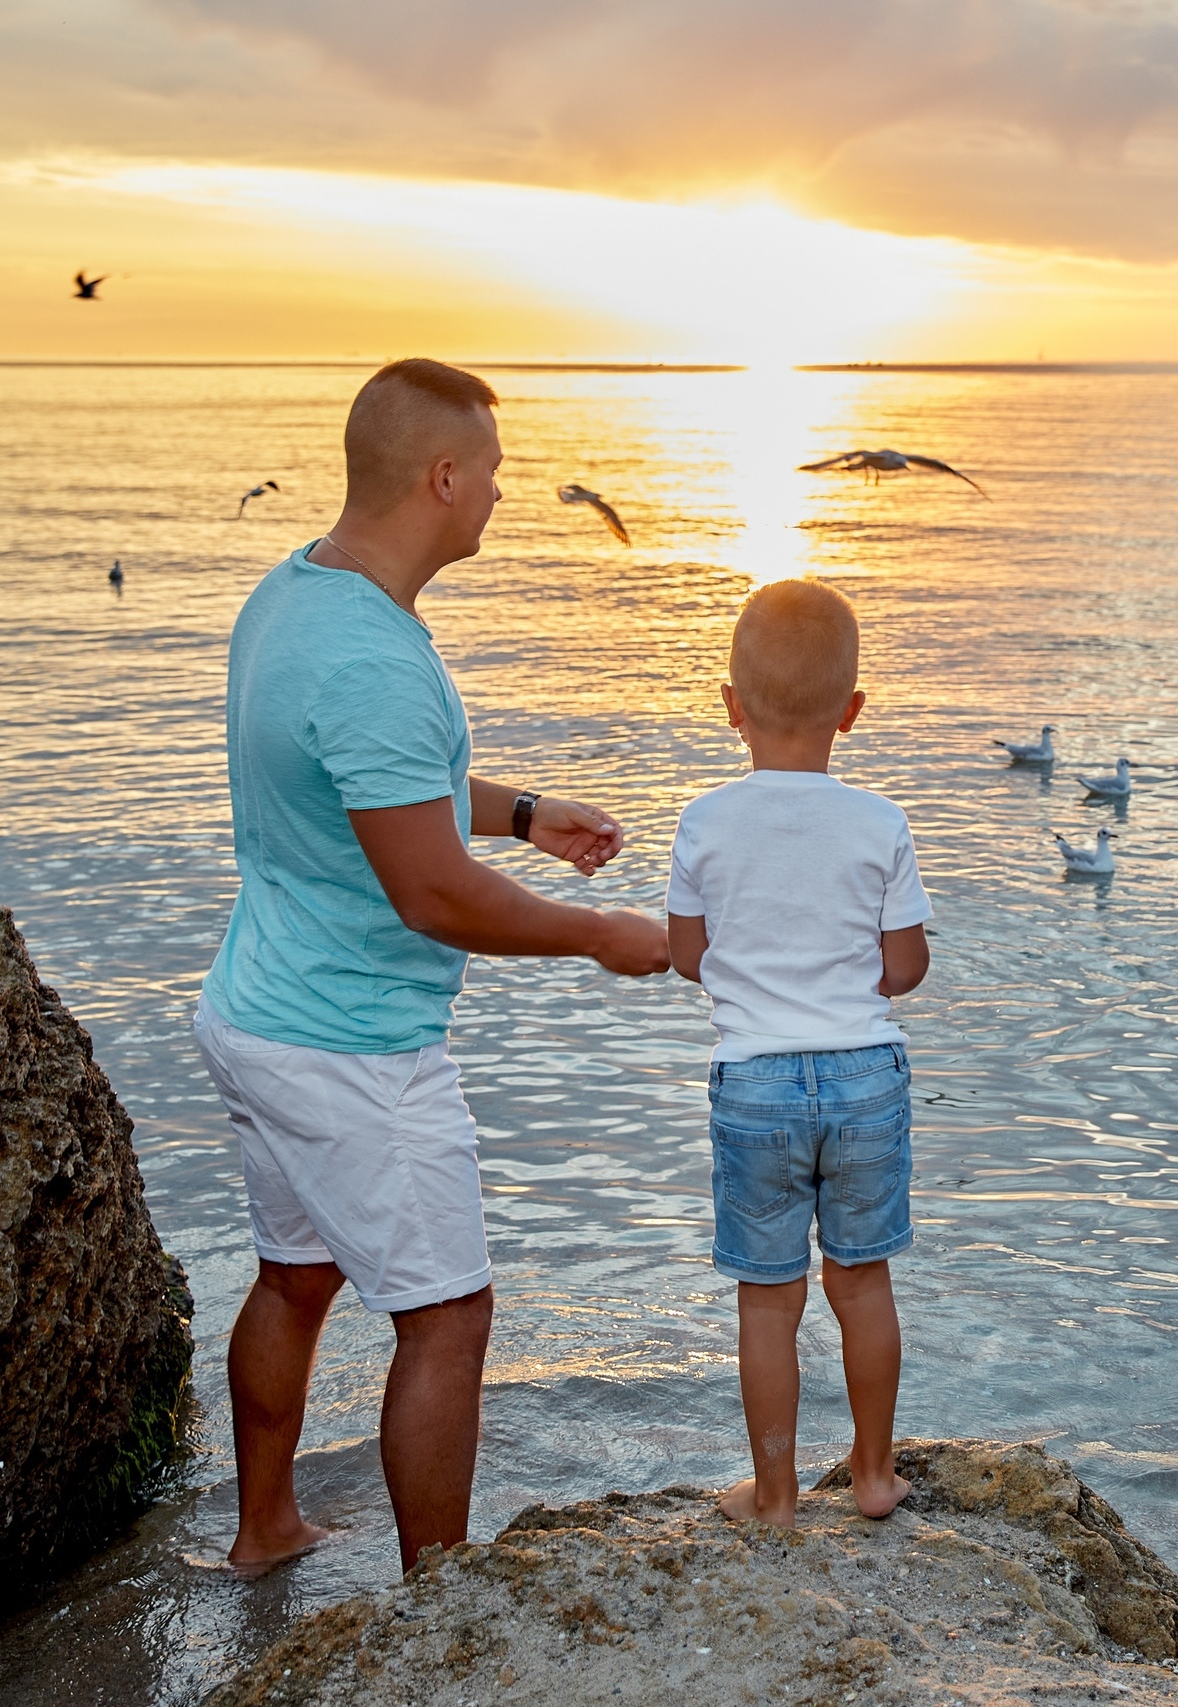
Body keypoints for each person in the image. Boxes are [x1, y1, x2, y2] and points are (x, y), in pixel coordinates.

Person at [193, 358, 674, 1574]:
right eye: (494, 473)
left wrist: (522, 813)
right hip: (352, 1046)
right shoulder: (373, 661)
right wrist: (600, 937)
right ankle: (438, 1616)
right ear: (443, 476)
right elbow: (431, 890)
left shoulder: (297, 594)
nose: (504, 495)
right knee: (449, 1315)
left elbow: (371, 785)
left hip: (260, 1011)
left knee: (296, 1277)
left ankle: (266, 1529)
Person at [663, 577, 931, 1529]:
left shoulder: (703, 821)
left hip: (756, 1084)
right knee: (861, 1286)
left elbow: (691, 957)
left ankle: (774, 1495)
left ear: (730, 707)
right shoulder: (880, 823)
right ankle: (870, 1476)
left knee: (768, 1304)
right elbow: (905, 968)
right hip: (864, 1078)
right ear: (852, 712)